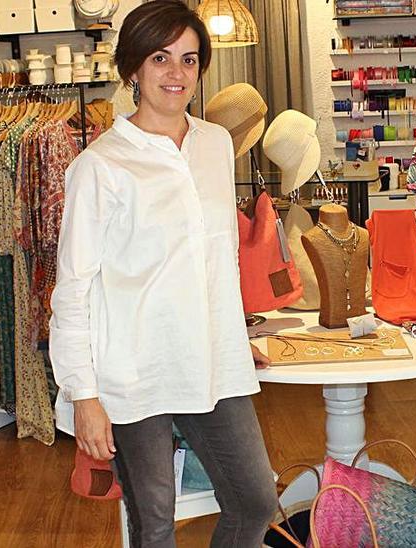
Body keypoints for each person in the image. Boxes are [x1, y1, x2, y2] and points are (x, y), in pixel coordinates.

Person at [48, 1, 276, 546]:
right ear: (133, 68)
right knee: (155, 525)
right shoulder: (100, 166)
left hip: (211, 360)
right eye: (160, 58)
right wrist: (84, 395)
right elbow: (72, 289)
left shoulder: (216, 145)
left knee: (255, 500)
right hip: (132, 373)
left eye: (190, 60)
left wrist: (237, 334)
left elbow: (213, 258)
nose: (177, 74)